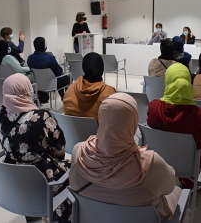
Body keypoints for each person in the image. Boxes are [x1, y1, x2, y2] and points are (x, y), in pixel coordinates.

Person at [69, 93, 182, 222]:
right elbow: (169, 188)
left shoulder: (78, 152)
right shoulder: (151, 164)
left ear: (101, 118)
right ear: (133, 122)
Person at [0, 73, 71, 223]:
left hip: (12, 176)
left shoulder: (1, 113)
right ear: (27, 90)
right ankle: (60, 216)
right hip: (41, 177)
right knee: (71, 168)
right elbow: (60, 148)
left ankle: (31, 212)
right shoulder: (41, 116)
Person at [147, 63, 201, 191]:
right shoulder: (200, 115)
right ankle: (188, 183)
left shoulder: (154, 107)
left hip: (160, 159)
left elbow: (149, 123)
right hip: (188, 162)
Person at [63, 52, 115, 123]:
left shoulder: (70, 90)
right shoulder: (109, 93)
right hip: (99, 133)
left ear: (84, 67)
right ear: (101, 68)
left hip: (72, 133)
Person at [27, 37, 70, 102]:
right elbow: (59, 71)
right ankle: (65, 98)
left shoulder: (30, 58)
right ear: (44, 46)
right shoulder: (49, 58)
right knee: (67, 78)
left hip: (38, 85)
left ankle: (64, 98)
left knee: (60, 78)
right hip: (52, 84)